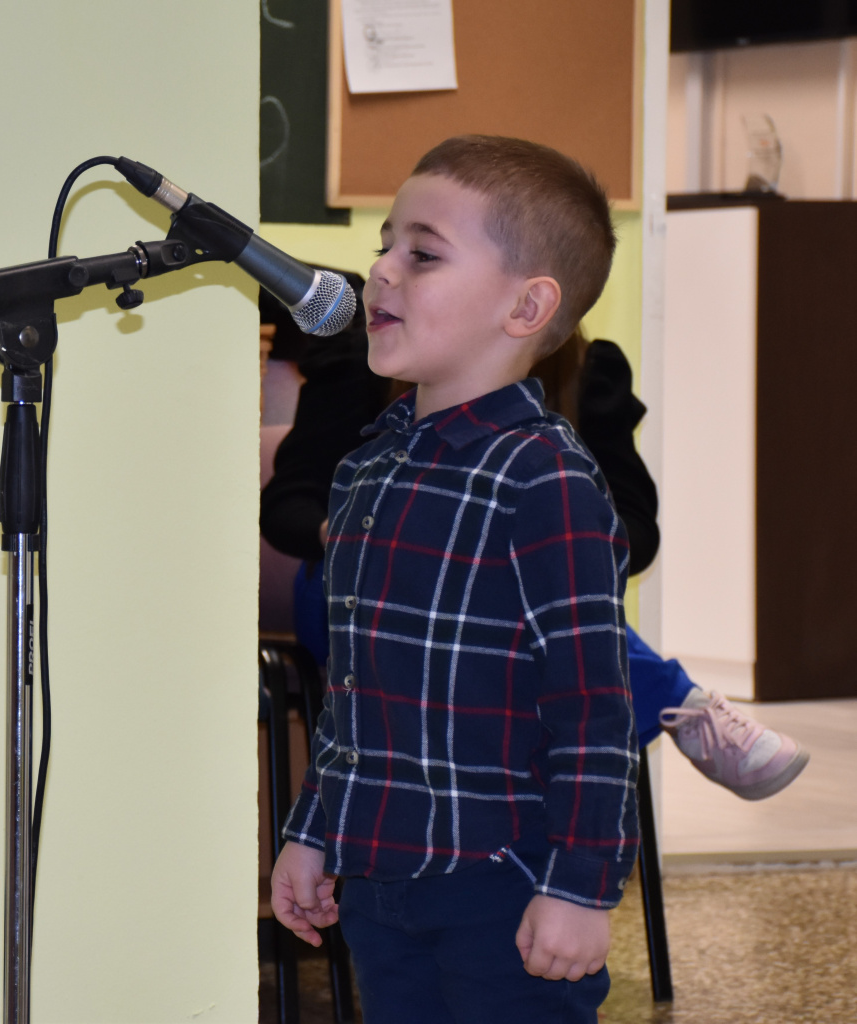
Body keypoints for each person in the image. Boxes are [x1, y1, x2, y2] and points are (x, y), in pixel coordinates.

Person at [269, 135, 637, 1024]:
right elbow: (355, 690)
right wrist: (313, 831)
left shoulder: (544, 479)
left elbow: (593, 708)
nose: (381, 272)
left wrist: (581, 885)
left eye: (422, 254)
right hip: (381, 882)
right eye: (384, 246)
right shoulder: (368, 468)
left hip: (502, 886)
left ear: (526, 306)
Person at [261, 299, 810, 802]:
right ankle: (677, 704)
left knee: (516, 582)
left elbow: (636, 534)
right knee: (501, 591)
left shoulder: (588, 371)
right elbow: (286, 508)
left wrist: (550, 533)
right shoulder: (367, 359)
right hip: (354, 590)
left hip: (514, 599)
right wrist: (354, 528)